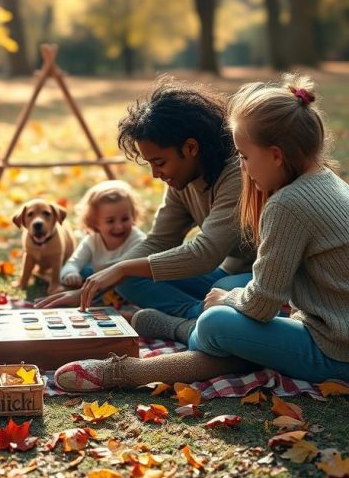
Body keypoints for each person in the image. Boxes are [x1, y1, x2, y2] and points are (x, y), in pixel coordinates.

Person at [54, 75, 349, 392]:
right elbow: (158, 242)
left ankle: (169, 343)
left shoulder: (285, 202)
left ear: (276, 155)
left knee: (215, 322)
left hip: (333, 349)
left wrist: (227, 300)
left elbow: (260, 301)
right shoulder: (326, 180)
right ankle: (230, 341)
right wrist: (108, 276)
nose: (244, 166)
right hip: (322, 328)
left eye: (246, 157)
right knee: (160, 286)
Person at [40, 77, 253, 338]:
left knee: (221, 287)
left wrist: (120, 268)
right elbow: (158, 241)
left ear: (191, 148)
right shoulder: (181, 181)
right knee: (127, 275)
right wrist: (94, 287)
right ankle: (196, 316)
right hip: (222, 277)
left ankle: (198, 321)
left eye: (159, 162)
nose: (155, 173)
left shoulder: (236, 175)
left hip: (259, 281)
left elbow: (205, 254)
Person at [60, 180, 146, 288]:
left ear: (133, 215)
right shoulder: (92, 240)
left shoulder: (138, 240)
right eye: (110, 221)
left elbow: (129, 271)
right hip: (101, 280)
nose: (119, 226)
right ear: (95, 223)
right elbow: (73, 263)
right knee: (85, 270)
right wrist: (70, 273)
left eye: (125, 219)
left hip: (127, 283)